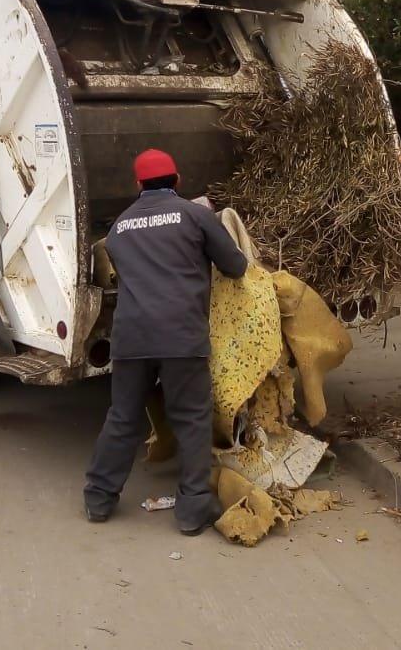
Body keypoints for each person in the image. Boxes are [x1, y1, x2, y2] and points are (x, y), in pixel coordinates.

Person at [84, 148, 248, 534]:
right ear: (177, 181)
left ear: (138, 184)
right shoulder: (196, 215)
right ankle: (192, 512)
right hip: (181, 337)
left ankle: (98, 499)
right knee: (191, 418)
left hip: (131, 339)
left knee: (123, 418)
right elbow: (236, 265)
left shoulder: (119, 229)